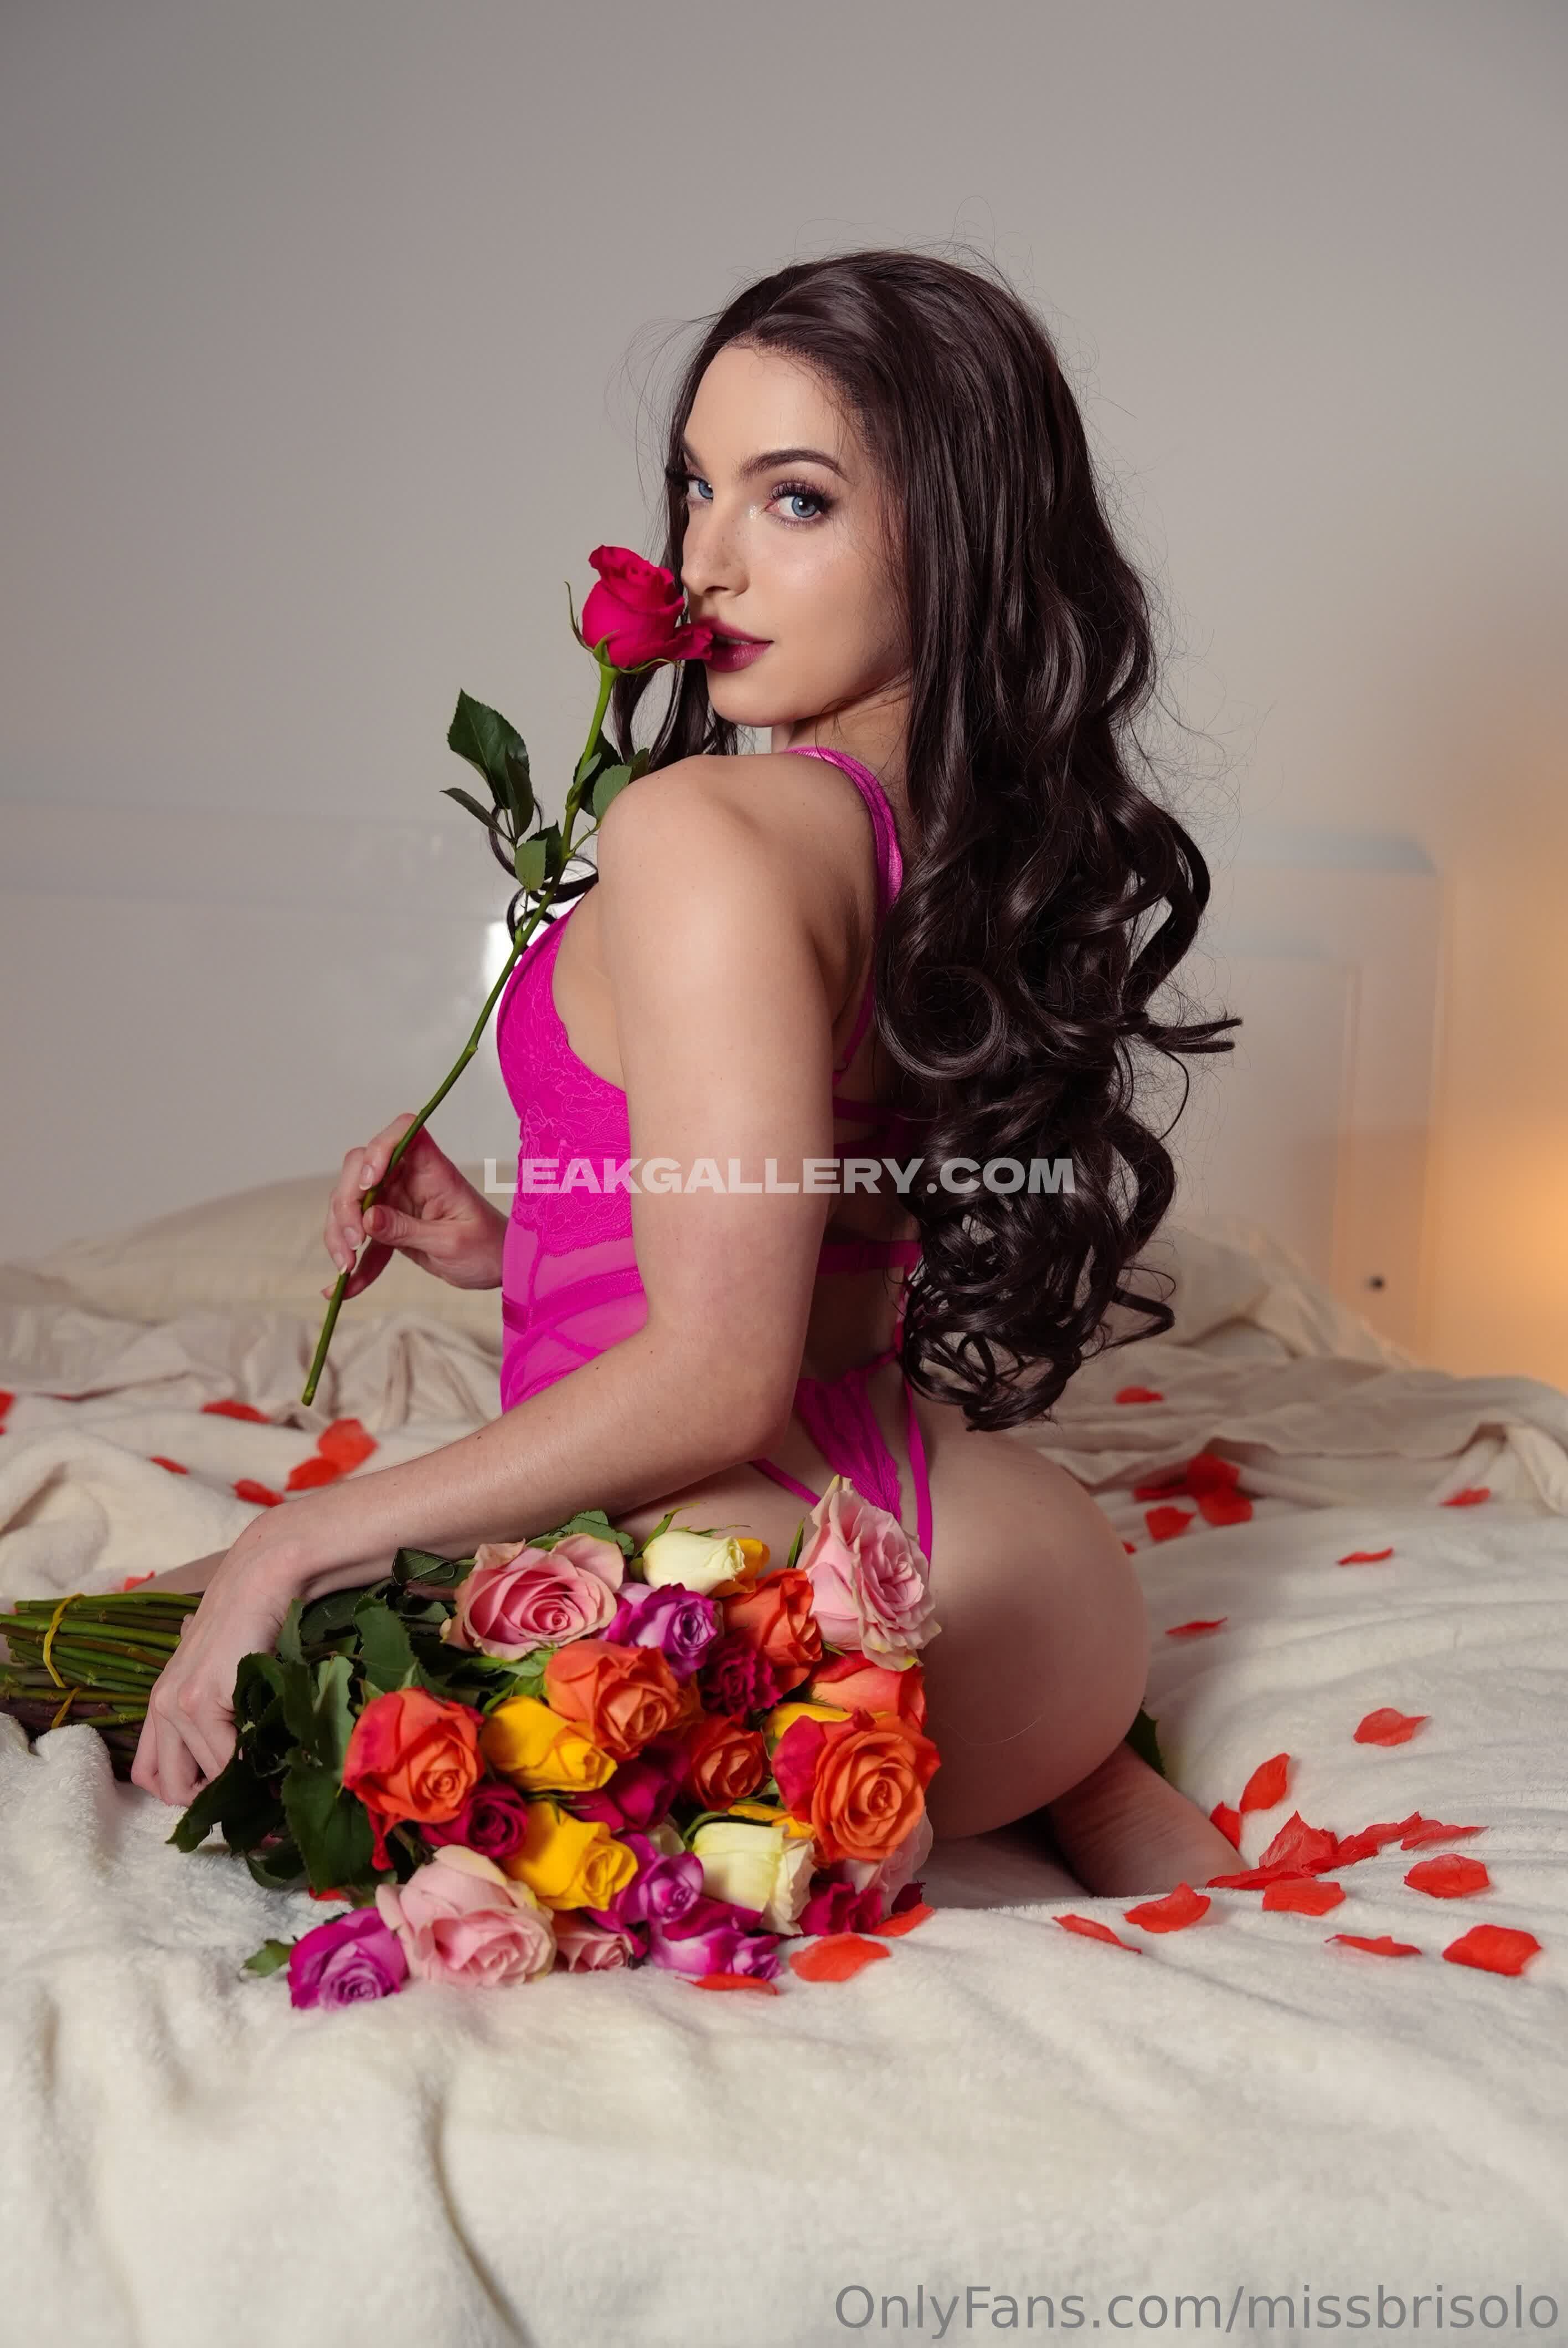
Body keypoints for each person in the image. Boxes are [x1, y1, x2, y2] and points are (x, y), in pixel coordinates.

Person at [133, 248, 1241, 1897]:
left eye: (795, 500)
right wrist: (515, 1244)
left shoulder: (704, 828)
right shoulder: (960, 849)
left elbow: (723, 1378)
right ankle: (1082, 1776)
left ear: (957, 532)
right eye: (694, 489)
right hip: (1015, 1579)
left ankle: (977, 1778)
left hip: (774, 1583)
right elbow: (810, 1238)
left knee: (193, 1643)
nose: (706, 562)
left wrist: (301, 1532)